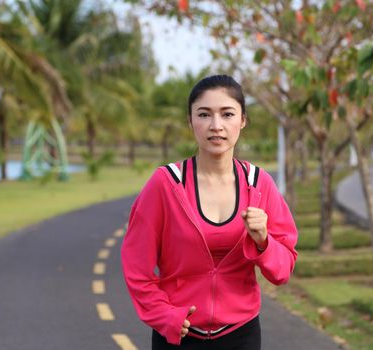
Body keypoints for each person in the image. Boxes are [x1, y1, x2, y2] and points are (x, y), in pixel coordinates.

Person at [121, 75, 298, 350]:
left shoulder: (259, 184)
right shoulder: (166, 184)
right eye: (204, 114)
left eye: (227, 114)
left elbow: (283, 270)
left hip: (241, 336)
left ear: (242, 120)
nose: (216, 126)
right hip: (178, 337)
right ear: (191, 122)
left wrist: (264, 240)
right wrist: (164, 315)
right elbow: (136, 267)